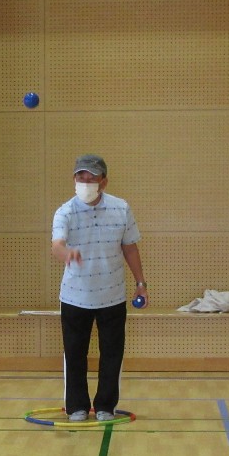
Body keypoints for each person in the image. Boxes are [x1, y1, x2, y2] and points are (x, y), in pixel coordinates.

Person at [51, 154, 147, 422]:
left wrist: (141, 283)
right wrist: (67, 253)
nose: (85, 182)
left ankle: (105, 405)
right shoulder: (65, 211)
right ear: (74, 179)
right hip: (75, 296)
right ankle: (76, 406)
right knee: (74, 354)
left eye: (91, 177)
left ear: (103, 182)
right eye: (80, 177)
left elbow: (130, 247)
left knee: (112, 354)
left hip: (112, 294)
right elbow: (56, 245)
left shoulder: (121, 208)